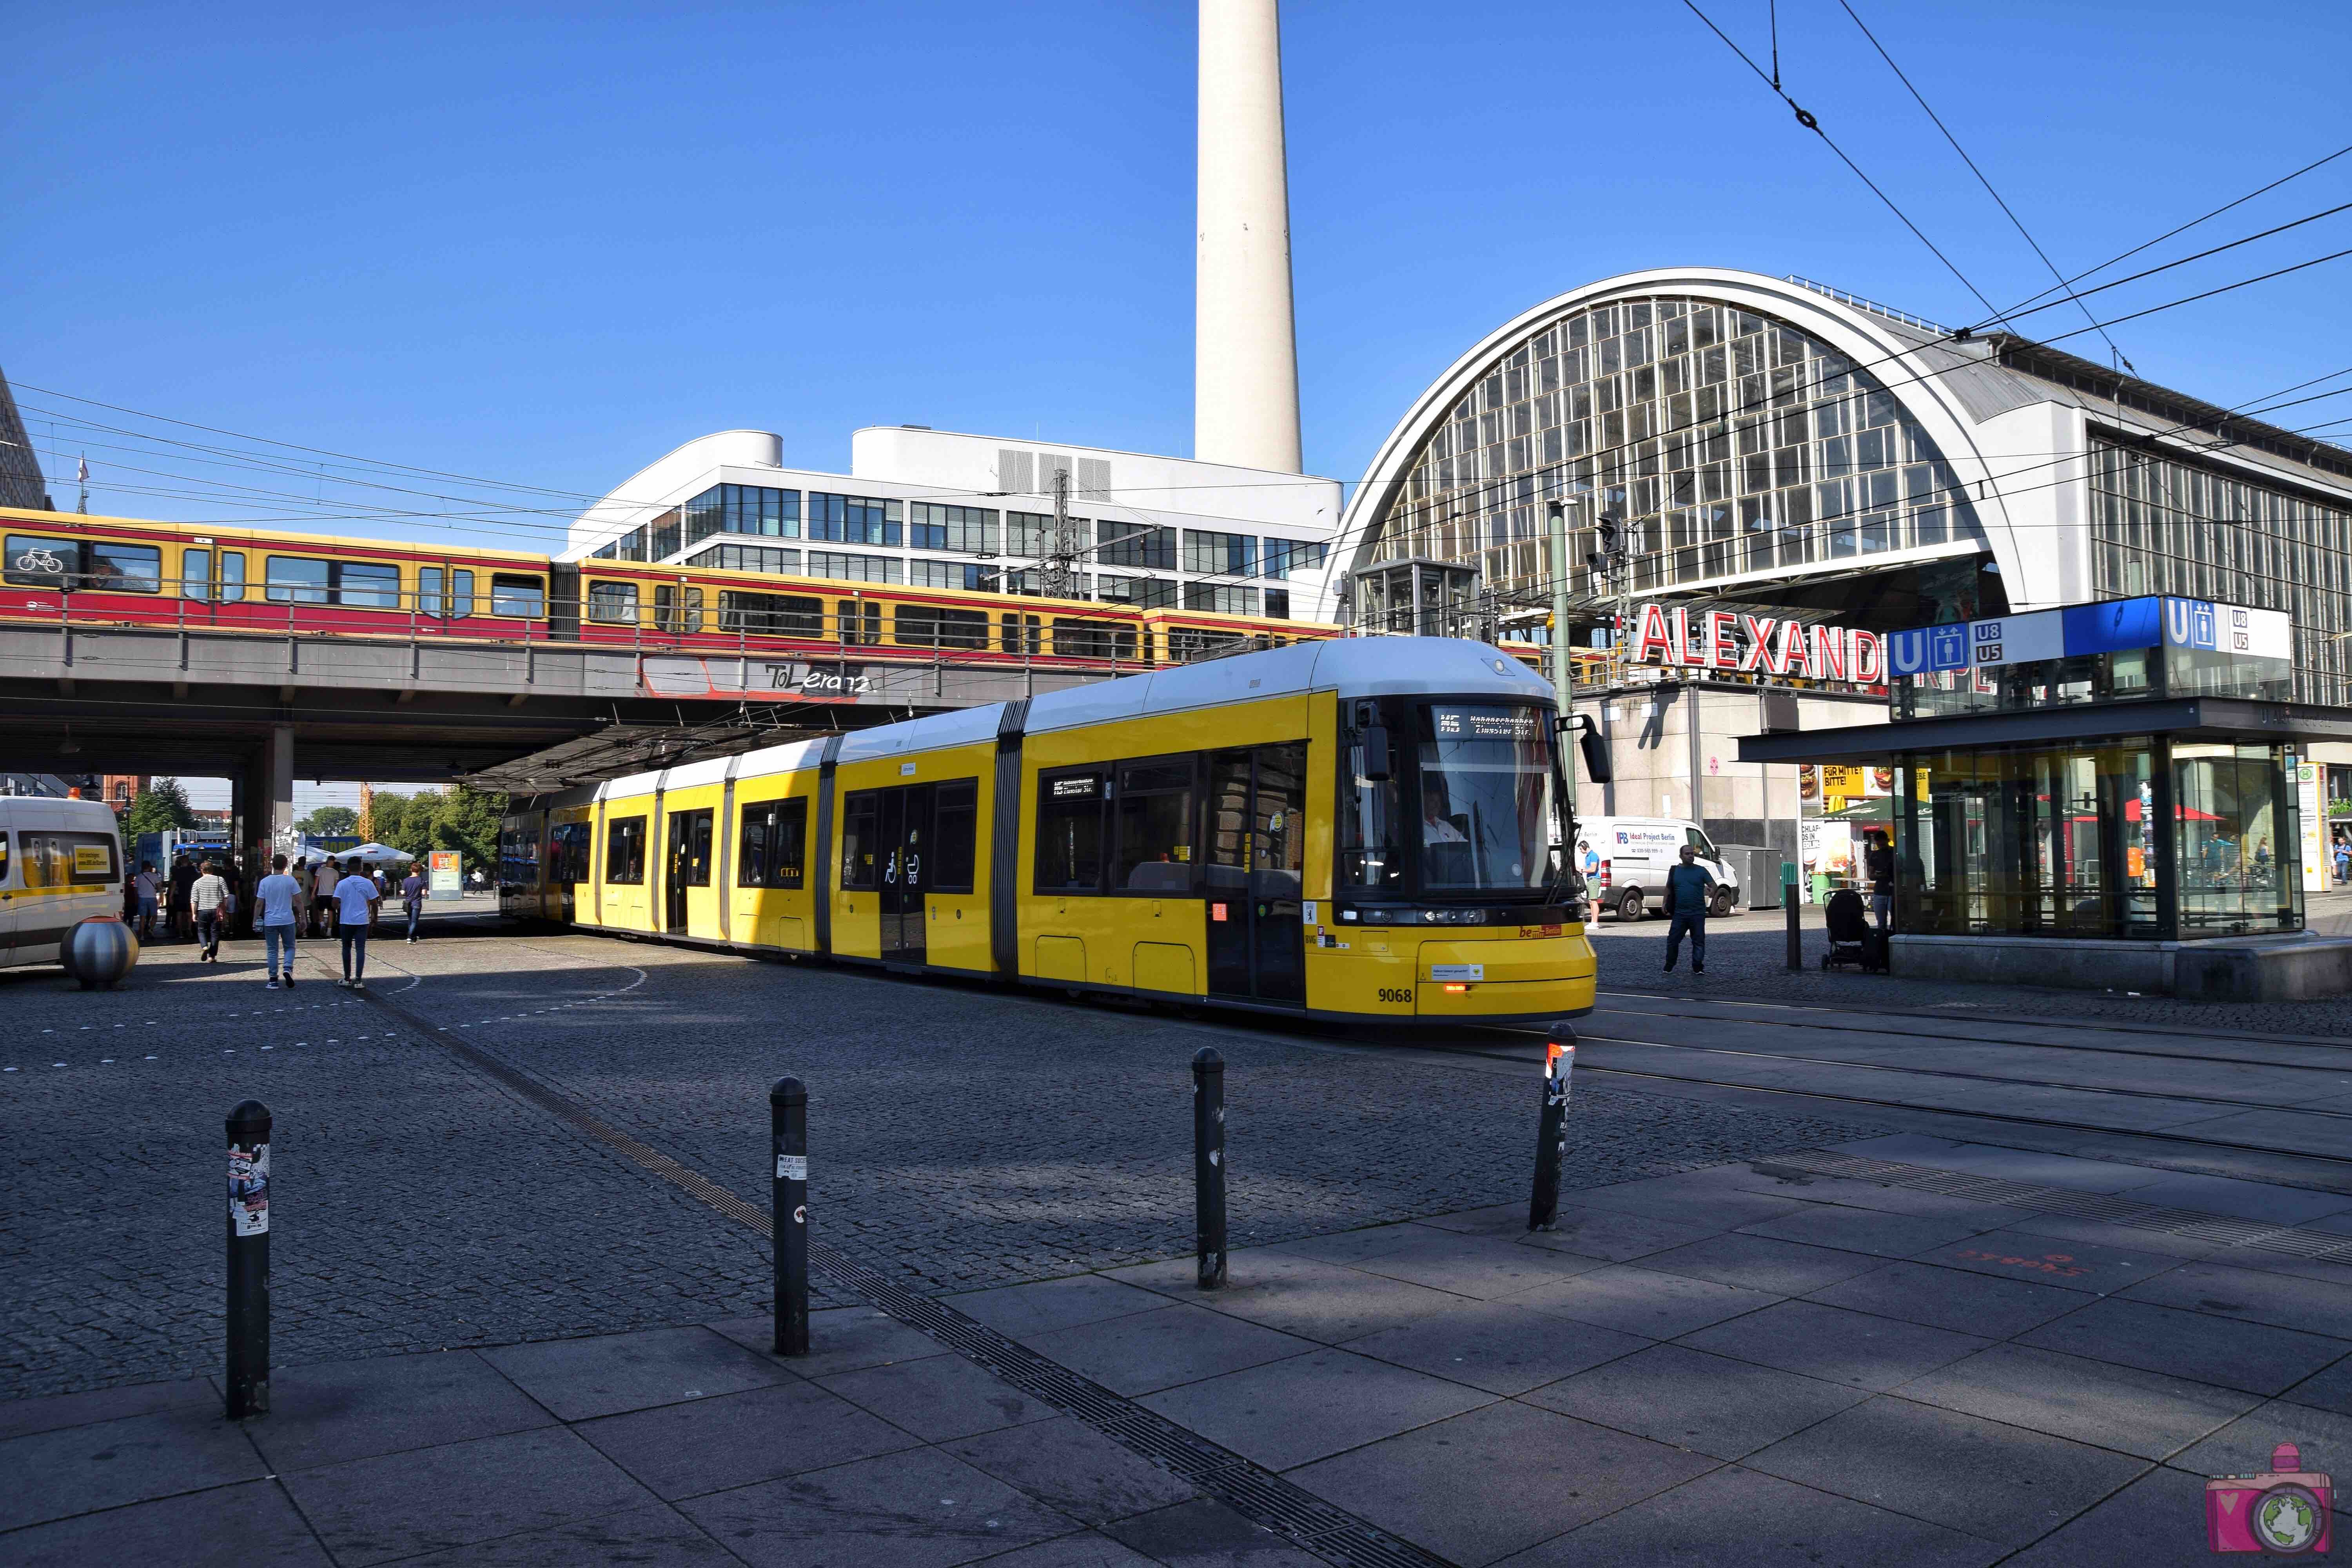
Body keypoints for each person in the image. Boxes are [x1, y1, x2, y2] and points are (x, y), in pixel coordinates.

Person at [1661, 843, 1717, 975]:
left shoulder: (1701, 870)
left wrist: (1712, 891)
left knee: (1698, 941)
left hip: (1697, 913)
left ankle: (1698, 967)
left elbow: (1713, 885)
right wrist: (1664, 903)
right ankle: (1670, 964)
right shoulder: (1675, 870)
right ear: (1681, 856)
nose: (1691, 856)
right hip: (1680, 913)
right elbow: (1668, 888)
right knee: (1673, 940)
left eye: (1692, 853)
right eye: (1687, 854)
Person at [255, 853, 302, 990]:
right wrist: (303, 919)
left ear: (272, 865)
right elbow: (298, 901)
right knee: (290, 947)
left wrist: (255, 920)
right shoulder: (291, 881)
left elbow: (259, 903)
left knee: (272, 950)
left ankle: (273, 980)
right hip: (288, 920)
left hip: (270, 921)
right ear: (286, 865)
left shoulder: (265, 882)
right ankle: (288, 968)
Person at [333, 860, 381, 988]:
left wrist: (339, 907)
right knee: (360, 949)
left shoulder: (342, 884)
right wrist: (375, 917)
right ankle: (359, 980)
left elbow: (335, 903)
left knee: (346, 948)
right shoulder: (368, 883)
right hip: (362, 921)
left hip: (346, 921)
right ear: (361, 869)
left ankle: (347, 978)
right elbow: (375, 903)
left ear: (348, 869)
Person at [190, 859, 230, 963]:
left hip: (203, 910)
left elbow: (194, 900)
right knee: (215, 933)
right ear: (213, 870)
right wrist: (224, 909)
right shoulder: (220, 880)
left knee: (201, 930)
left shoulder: (197, 883)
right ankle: (212, 957)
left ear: (201, 870)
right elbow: (226, 895)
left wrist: (194, 914)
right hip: (217, 910)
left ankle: (204, 947)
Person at [1865, 834, 1896, 930]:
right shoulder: (1875, 855)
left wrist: (1879, 875)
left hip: (1892, 892)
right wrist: (1882, 875)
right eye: (1879, 844)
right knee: (1881, 922)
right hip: (1880, 892)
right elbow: (1870, 876)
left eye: (1883, 844)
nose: (1880, 846)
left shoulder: (1894, 852)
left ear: (1888, 840)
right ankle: (1882, 941)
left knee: (1895, 921)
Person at [169, 854, 198, 942]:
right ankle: (189, 929)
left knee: (179, 914)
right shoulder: (193, 870)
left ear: (181, 862)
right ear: (188, 861)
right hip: (191, 894)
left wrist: (171, 896)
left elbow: (174, 885)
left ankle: (181, 932)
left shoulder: (178, 871)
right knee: (189, 913)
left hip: (180, 895)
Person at [312, 856, 341, 938]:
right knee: (331, 913)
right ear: (333, 862)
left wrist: (313, 893)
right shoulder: (336, 872)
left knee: (320, 912)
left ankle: (322, 925)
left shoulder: (320, 870)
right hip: (332, 894)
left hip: (322, 894)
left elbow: (316, 883)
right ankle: (329, 931)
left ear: (327, 861)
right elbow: (336, 886)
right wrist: (337, 896)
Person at [400, 862, 427, 942]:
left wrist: (402, 892)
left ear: (411, 870)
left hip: (408, 903)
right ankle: (409, 936)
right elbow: (424, 893)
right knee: (414, 921)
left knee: (410, 920)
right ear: (419, 871)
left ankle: (413, 937)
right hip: (417, 903)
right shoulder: (421, 880)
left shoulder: (406, 880)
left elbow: (403, 893)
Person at [133, 862, 159, 939]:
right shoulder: (155, 876)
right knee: (154, 916)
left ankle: (142, 935)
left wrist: (136, 899)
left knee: (142, 918)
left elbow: (135, 890)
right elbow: (159, 887)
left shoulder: (139, 877)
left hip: (142, 899)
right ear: (149, 867)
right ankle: (151, 929)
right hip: (152, 898)